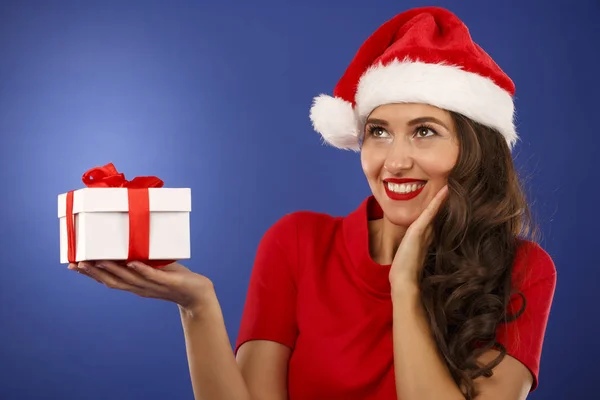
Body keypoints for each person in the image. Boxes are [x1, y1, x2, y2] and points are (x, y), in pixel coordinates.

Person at [69, 6, 557, 400]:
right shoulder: (299, 243)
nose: (395, 160)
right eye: (378, 133)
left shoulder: (524, 269)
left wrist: (405, 285)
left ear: (473, 151)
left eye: (424, 132)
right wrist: (198, 307)